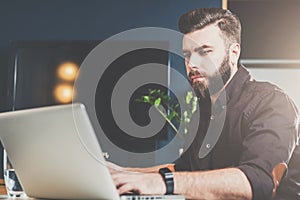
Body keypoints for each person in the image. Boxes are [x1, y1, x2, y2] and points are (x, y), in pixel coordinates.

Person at [108, 8, 299, 200]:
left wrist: (160, 183)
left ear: (234, 53)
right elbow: (184, 170)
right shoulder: (204, 110)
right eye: (187, 54)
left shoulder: (273, 102)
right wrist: (122, 174)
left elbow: (256, 183)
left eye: (204, 52)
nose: (192, 63)